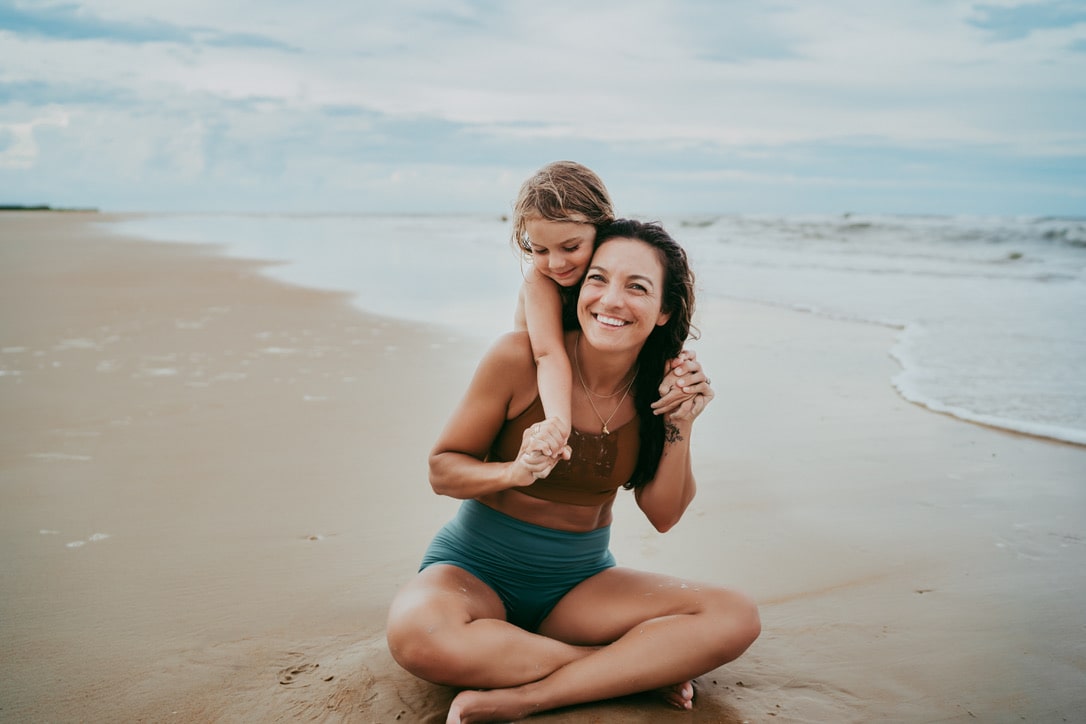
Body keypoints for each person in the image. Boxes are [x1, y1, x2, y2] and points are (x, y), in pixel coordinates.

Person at [386, 219, 761, 723]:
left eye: (637, 287)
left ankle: (525, 696)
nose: (611, 300)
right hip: (472, 572)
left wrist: (680, 424)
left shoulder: (662, 385)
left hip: (579, 587)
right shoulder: (519, 358)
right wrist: (513, 472)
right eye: (597, 279)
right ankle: (626, 669)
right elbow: (443, 470)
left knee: (735, 616)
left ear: (664, 309)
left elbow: (663, 514)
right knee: (417, 636)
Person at [508, 162, 696, 478]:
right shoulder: (539, 280)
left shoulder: (607, 277)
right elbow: (546, 354)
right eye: (539, 249)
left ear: (602, 232)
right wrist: (558, 422)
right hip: (536, 385)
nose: (555, 263)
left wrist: (680, 370)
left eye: (571, 247)